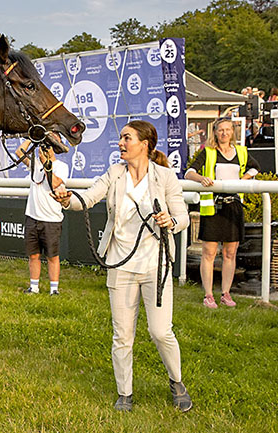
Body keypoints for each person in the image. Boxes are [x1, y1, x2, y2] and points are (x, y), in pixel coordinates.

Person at [52, 120, 192, 412]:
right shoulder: (115, 173)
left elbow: (183, 216)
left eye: (127, 138)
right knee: (122, 335)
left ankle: (176, 381)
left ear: (144, 144)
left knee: (160, 332)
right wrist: (67, 199)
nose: (121, 143)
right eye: (120, 138)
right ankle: (124, 393)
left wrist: (172, 221)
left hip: (156, 265)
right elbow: (88, 198)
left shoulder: (165, 177)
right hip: (121, 265)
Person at [185, 118, 260, 308]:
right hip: (213, 207)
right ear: (215, 133)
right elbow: (189, 173)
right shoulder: (208, 152)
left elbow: (255, 167)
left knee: (230, 252)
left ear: (232, 132)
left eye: (228, 130)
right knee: (209, 252)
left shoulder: (241, 152)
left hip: (233, 207)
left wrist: (245, 177)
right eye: (221, 130)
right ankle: (208, 294)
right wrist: (202, 178)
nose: (224, 133)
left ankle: (226, 293)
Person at [14, 140, 69, 295]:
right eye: (43, 145)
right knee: (33, 255)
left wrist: (46, 163)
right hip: (32, 217)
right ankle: (34, 287)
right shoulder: (35, 164)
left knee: (52, 256)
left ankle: (54, 289)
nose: (44, 149)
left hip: (51, 219)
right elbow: (19, 152)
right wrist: (33, 138)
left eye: (48, 145)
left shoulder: (62, 167)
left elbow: (56, 183)